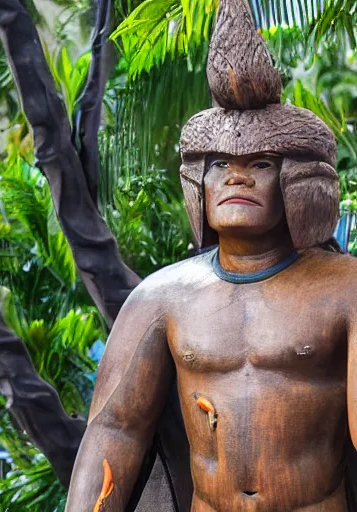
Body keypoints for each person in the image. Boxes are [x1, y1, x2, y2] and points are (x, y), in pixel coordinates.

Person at [65, 0, 357, 510]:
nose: (236, 177)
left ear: (299, 179)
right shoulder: (160, 297)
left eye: (260, 163)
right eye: (220, 163)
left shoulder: (345, 288)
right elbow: (115, 429)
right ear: (197, 180)